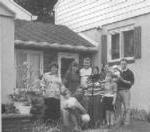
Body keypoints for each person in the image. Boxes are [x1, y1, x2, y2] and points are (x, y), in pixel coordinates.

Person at [117, 58, 134, 125]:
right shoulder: (118, 72)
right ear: (120, 64)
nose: (123, 65)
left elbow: (131, 83)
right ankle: (119, 121)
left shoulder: (130, 72)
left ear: (126, 64)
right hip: (118, 91)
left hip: (126, 91)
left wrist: (122, 80)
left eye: (124, 64)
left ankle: (126, 123)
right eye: (121, 64)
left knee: (127, 107)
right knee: (118, 107)